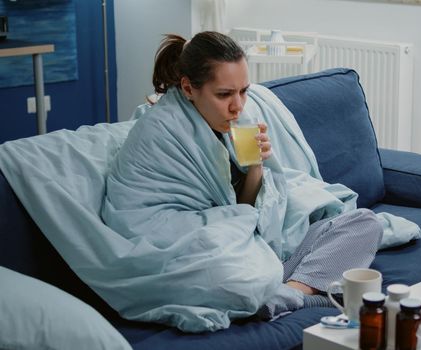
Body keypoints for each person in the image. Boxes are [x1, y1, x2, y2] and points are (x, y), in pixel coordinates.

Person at [104, 31, 383, 320]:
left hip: (244, 246)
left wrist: (256, 167)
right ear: (188, 88)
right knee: (225, 276)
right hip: (200, 250)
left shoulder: (235, 121)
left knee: (364, 223)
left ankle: (291, 293)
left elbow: (246, 209)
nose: (238, 106)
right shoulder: (161, 131)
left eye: (244, 91)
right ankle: (299, 290)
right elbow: (154, 229)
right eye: (224, 94)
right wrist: (236, 231)